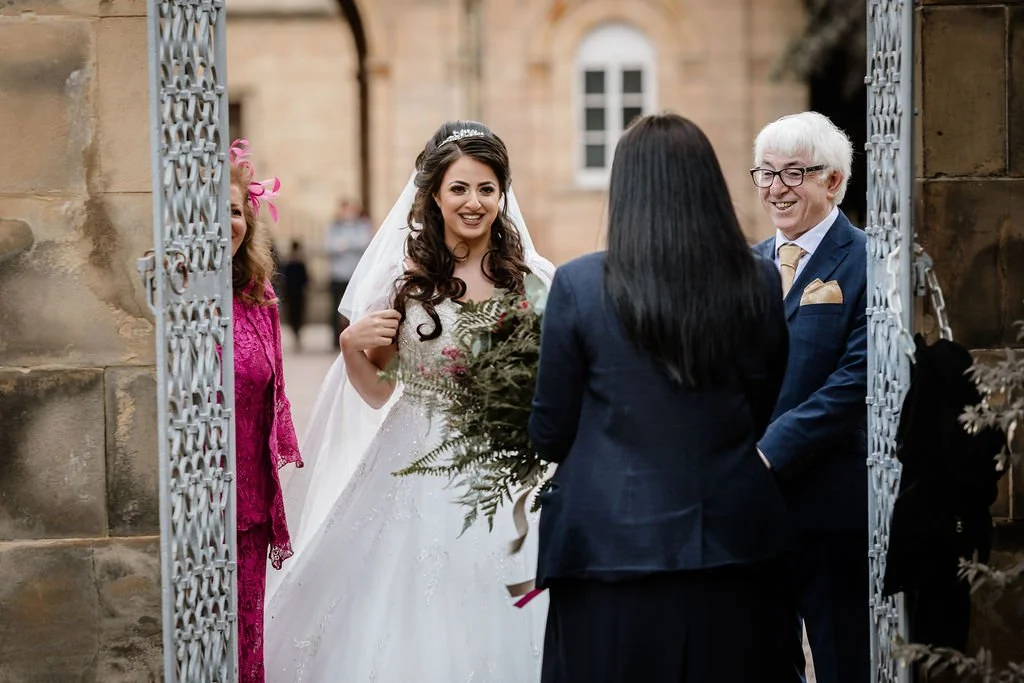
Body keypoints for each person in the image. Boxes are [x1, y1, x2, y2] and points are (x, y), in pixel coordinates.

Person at [264, 121, 553, 682]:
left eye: (487, 188)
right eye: (460, 189)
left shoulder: (534, 280)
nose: (474, 203)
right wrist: (351, 351)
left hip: (506, 476)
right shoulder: (405, 281)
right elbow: (377, 395)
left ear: (503, 194)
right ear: (435, 196)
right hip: (410, 467)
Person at [530, 113, 794, 683]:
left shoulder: (578, 286)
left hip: (609, 548)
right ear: (708, 186)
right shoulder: (760, 281)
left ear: (624, 189)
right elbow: (762, 403)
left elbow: (550, 431)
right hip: (733, 540)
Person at [749, 111, 869, 683]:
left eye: (794, 173)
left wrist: (772, 449)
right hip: (749, 507)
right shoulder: (743, 267)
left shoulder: (869, 260)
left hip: (830, 504)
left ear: (834, 181)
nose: (776, 189)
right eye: (767, 173)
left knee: (843, 659)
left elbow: (859, 376)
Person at [227, 139, 303, 683]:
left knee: (246, 641)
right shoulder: (170, 301)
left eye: (233, 210)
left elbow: (273, 393)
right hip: (187, 508)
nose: (224, 223)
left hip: (249, 507)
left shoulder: (260, 299)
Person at [325, 198, 373, 347]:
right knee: (335, 309)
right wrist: (348, 244)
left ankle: (356, 337)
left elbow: (365, 243)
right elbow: (329, 246)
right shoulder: (334, 227)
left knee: (356, 308)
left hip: (355, 275)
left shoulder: (362, 226)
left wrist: (344, 244)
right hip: (338, 274)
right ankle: (335, 340)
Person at [280, 239, 309, 350]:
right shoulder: (295, 263)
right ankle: (296, 334)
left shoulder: (294, 263)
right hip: (295, 293)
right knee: (295, 315)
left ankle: (297, 333)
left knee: (295, 315)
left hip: (294, 293)